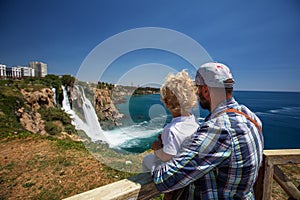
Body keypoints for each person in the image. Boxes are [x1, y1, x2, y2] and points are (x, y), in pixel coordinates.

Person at [152, 62, 264, 199]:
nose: (196, 94)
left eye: (197, 89)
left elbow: (164, 180)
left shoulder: (219, 130)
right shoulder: (252, 117)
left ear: (205, 91)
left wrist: (158, 153)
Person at [142, 70, 199, 198]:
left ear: (166, 103)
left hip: (174, 175)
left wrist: (157, 148)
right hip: (189, 170)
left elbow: (166, 157)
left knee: (147, 160)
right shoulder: (194, 122)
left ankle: (152, 192)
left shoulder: (171, 129)